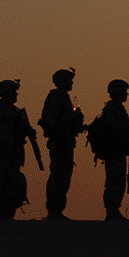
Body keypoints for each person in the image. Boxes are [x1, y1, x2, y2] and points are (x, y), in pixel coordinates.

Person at [38, 68, 83, 220]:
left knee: (64, 176)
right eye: (69, 80)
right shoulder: (55, 97)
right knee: (58, 175)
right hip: (59, 142)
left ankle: (57, 210)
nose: (71, 83)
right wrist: (72, 118)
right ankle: (53, 210)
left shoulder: (64, 97)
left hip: (66, 142)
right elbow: (53, 122)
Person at [91, 79, 129, 221]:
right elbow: (115, 130)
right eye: (124, 92)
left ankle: (113, 210)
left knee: (118, 180)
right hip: (114, 151)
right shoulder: (112, 110)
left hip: (118, 150)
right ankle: (112, 210)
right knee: (114, 180)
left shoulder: (116, 109)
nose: (126, 95)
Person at [0, 80, 36, 219]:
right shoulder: (3, 110)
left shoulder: (12, 109)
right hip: (8, 149)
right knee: (7, 177)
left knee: (12, 177)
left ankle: (9, 209)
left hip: (14, 149)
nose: (16, 94)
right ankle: (5, 209)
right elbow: (5, 132)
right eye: (13, 91)